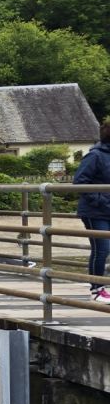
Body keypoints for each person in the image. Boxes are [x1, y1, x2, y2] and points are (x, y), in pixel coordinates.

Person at [73, 121, 110, 303]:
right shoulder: (95, 156)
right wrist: (101, 200)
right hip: (95, 210)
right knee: (101, 248)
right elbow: (80, 182)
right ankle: (96, 288)